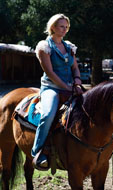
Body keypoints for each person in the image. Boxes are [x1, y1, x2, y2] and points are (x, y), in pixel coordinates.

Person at [32, 13, 82, 169]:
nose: (65, 30)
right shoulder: (44, 47)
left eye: (66, 27)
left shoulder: (69, 46)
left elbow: (75, 68)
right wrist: (67, 87)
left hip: (70, 86)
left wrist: (78, 81)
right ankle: (38, 151)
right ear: (52, 27)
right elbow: (51, 73)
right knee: (47, 115)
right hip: (51, 87)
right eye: (62, 26)